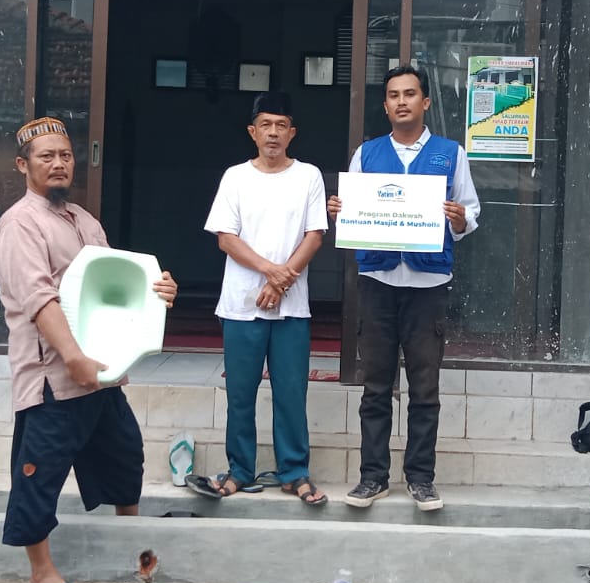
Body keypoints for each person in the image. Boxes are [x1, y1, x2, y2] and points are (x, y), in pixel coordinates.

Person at [0, 117, 178, 583]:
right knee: (39, 472)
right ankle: (41, 575)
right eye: (46, 157)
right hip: (53, 378)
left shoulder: (85, 220)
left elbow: (116, 285)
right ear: (23, 165)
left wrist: (159, 291)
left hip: (102, 374)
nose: (58, 164)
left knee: (125, 458)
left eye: (65, 155)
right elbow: (38, 300)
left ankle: (131, 549)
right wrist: (72, 357)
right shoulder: (19, 225)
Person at [326, 65, 480, 512]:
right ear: (385, 105)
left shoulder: (450, 154)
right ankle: (372, 477)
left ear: (425, 102)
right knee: (375, 385)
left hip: (428, 285)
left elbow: (470, 212)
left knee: (424, 388)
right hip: (377, 283)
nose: (401, 102)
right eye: (393, 95)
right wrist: (341, 210)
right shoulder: (367, 154)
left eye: (410, 94)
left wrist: (459, 220)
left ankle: (421, 479)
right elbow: (353, 211)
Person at [197, 92, 329, 505]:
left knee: (291, 392)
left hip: (291, 307)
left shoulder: (308, 176)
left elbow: (315, 235)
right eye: (266, 126)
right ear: (252, 132)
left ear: (292, 133)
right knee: (241, 394)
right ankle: (239, 471)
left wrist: (280, 282)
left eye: (281, 126)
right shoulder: (236, 177)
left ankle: (295, 472)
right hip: (242, 305)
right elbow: (226, 238)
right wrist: (272, 272)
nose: (273, 133)